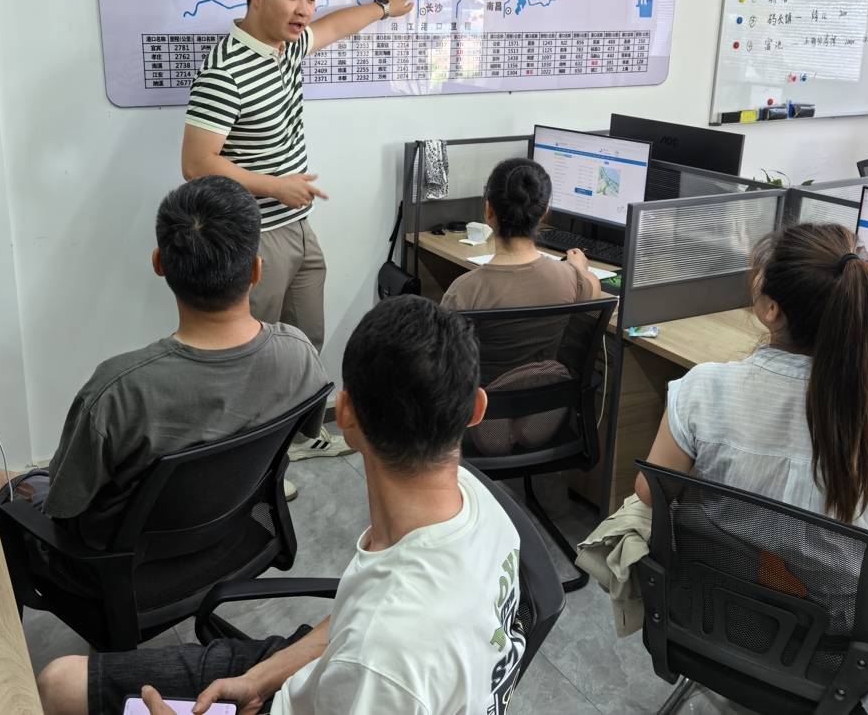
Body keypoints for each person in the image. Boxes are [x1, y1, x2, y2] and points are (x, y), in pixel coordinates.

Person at [35, 296, 528, 715]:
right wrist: (262, 677)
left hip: (354, 678)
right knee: (60, 683)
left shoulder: (383, 663)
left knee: (54, 687)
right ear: (476, 409)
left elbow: (374, 647)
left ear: (345, 415)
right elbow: (358, 622)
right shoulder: (477, 504)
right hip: (321, 675)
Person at [634, 222, 868, 640]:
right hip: (831, 633)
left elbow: (651, 492)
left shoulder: (704, 388)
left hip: (722, 601)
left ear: (772, 309)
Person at [0, 176, 328, 542]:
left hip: (125, 561)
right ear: (257, 270)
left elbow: (64, 505)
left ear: (158, 263)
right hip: (232, 537)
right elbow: (306, 430)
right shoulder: (298, 352)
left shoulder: (118, 391)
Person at [181, 0, 417, 459]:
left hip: (298, 226)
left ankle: (304, 435)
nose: (305, 10)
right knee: (255, 353)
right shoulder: (224, 71)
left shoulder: (285, 46)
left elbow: (334, 28)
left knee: (306, 338)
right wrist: (276, 185)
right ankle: (255, 462)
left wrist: (383, 6)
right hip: (254, 236)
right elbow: (196, 163)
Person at [441, 157, 602, 382]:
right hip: (547, 400)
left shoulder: (464, 290)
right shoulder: (571, 279)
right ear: (544, 213)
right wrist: (579, 269)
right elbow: (593, 290)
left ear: (488, 210)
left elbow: (444, 365)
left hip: (482, 402)